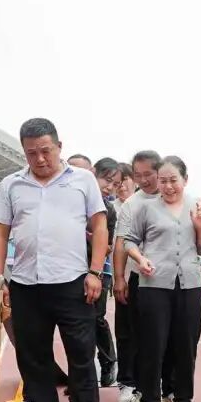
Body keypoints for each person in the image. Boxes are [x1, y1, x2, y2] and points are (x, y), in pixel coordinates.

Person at [0, 117, 110, 402]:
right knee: (33, 353)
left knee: (81, 352)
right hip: (27, 284)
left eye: (45, 151)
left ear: (59, 147)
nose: (40, 159)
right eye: (31, 153)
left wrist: (95, 271)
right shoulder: (11, 185)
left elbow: (100, 226)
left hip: (73, 281)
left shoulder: (82, 180)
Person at [123, 156, 201, 402]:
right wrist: (140, 259)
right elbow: (129, 241)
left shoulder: (197, 206)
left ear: (185, 180)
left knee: (186, 346)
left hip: (189, 284)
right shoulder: (146, 208)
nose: (169, 186)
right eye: (163, 180)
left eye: (174, 180)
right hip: (153, 286)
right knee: (152, 346)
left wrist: (200, 227)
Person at [112, 150, 162, 402]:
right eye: (138, 175)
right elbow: (121, 242)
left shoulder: (172, 197)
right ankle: (138, 391)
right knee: (139, 337)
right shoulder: (132, 204)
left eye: (148, 174)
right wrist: (119, 278)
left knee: (168, 339)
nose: (143, 180)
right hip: (138, 277)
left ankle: (171, 391)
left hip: (170, 281)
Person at [91, 157, 122, 387]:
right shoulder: (76, 201)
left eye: (115, 183)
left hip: (102, 271)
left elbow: (108, 246)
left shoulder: (109, 210)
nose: (110, 187)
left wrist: (88, 236)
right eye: (107, 180)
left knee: (96, 318)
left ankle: (108, 361)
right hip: (71, 270)